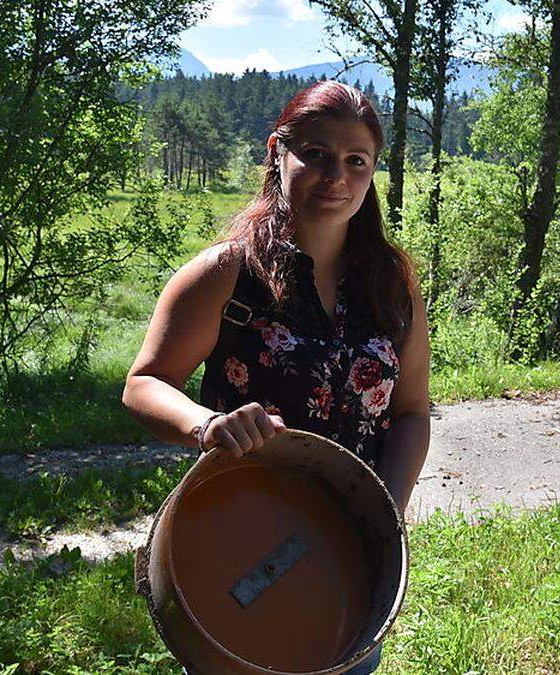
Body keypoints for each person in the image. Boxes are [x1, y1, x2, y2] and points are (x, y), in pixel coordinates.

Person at [121, 80, 431, 674]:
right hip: (240, 533)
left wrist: (382, 519)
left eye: (355, 161)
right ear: (277, 152)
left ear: (372, 174)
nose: (334, 175)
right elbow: (143, 384)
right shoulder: (226, 274)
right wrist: (208, 424)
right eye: (314, 154)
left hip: (346, 549)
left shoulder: (389, 284)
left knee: (338, 658)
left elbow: (413, 412)